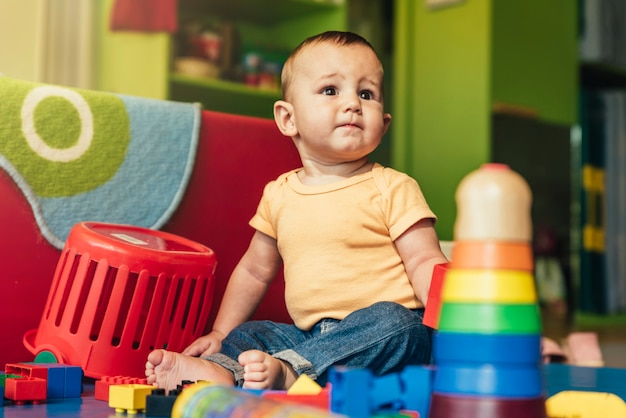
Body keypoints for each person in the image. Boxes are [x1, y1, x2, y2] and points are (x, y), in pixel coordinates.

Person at [145, 30, 449, 392]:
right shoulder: (279, 194)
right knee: (251, 332)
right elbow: (255, 271)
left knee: (397, 324)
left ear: (382, 125)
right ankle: (221, 370)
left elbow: (424, 262)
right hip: (307, 338)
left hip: (379, 338)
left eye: (366, 94)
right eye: (331, 91)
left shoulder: (393, 187)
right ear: (288, 119)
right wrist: (220, 331)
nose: (352, 103)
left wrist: (464, 326)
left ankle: (290, 373)